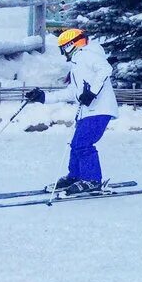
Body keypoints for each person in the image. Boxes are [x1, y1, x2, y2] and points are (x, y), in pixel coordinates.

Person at [24, 28, 119, 194]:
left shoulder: (87, 55)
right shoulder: (78, 64)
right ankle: (75, 176)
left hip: (99, 110)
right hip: (88, 111)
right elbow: (72, 92)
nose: (63, 54)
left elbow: (105, 69)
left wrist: (92, 92)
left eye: (63, 49)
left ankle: (91, 180)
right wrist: (43, 97)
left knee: (82, 144)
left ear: (70, 45)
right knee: (76, 145)